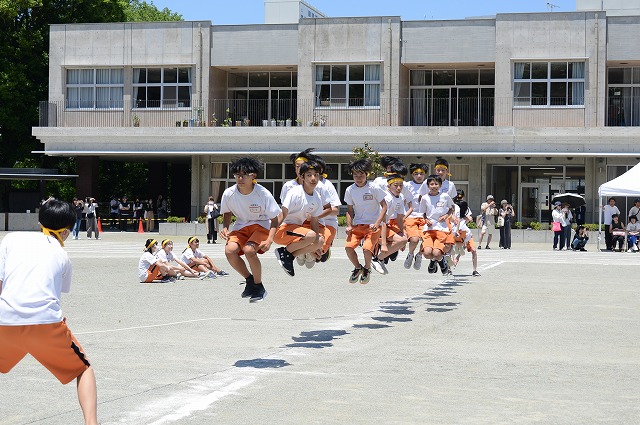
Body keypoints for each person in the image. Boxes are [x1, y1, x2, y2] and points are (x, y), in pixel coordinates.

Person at [0, 198, 98, 425]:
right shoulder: (63, 256)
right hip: (46, 324)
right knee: (83, 369)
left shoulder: (12, 239)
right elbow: (53, 295)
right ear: (66, 231)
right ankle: (92, 423)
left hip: (5, 320)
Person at [220, 157, 281, 302]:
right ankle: (249, 280)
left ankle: (259, 286)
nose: (240, 178)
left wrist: (270, 239)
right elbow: (227, 212)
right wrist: (225, 227)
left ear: (253, 175)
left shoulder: (262, 193)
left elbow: (275, 218)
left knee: (249, 250)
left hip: (262, 225)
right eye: (237, 175)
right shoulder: (229, 193)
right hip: (241, 226)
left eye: (244, 174)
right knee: (229, 251)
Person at [274, 160, 325, 276]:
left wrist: (315, 246)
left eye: (316, 175)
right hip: (282, 230)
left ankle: (289, 256)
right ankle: (284, 252)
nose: (313, 178)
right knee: (311, 235)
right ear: (302, 177)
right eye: (309, 175)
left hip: (296, 231)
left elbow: (315, 221)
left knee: (320, 240)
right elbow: (282, 214)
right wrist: (269, 236)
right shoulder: (295, 192)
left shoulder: (316, 196)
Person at [344, 158, 388, 284]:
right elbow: (349, 210)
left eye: (361, 175)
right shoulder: (350, 190)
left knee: (367, 249)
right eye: (356, 175)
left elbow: (384, 206)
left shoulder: (374, 188)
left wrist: (377, 223)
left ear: (366, 174)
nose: (358, 178)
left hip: (372, 226)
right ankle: (358, 268)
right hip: (357, 225)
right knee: (348, 247)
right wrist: (349, 225)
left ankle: (367, 269)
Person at [371, 173, 408, 274]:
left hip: (386, 225)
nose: (398, 188)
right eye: (396, 185)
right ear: (389, 186)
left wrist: (403, 233)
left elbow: (400, 218)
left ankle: (380, 259)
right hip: (376, 225)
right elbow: (382, 221)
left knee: (404, 238)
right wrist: (383, 244)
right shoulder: (387, 198)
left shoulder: (401, 197)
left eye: (401, 185)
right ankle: (377, 259)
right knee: (401, 240)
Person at [419, 174, 455, 275]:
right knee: (427, 253)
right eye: (431, 184)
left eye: (436, 184)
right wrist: (426, 219)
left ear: (440, 185)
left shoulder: (445, 196)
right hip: (429, 229)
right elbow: (423, 213)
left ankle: (439, 260)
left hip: (441, 228)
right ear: (428, 185)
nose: (434, 186)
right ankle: (434, 260)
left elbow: (452, 207)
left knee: (436, 252)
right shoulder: (425, 198)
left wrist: (446, 215)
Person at [403, 163, 427, 270]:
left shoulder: (429, 185)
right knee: (414, 239)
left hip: (425, 217)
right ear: (412, 175)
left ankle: (419, 255)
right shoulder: (407, 185)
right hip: (411, 216)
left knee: (426, 240)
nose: (419, 176)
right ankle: (410, 254)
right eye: (416, 173)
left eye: (421, 173)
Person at [452, 190, 480, 276]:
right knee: (452, 248)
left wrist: (465, 218)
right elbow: (469, 219)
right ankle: (451, 266)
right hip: (458, 231)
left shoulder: (464, 206)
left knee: (473, 250)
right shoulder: (452, 206)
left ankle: (474, 270)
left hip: (461, 231)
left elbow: (469, 218)